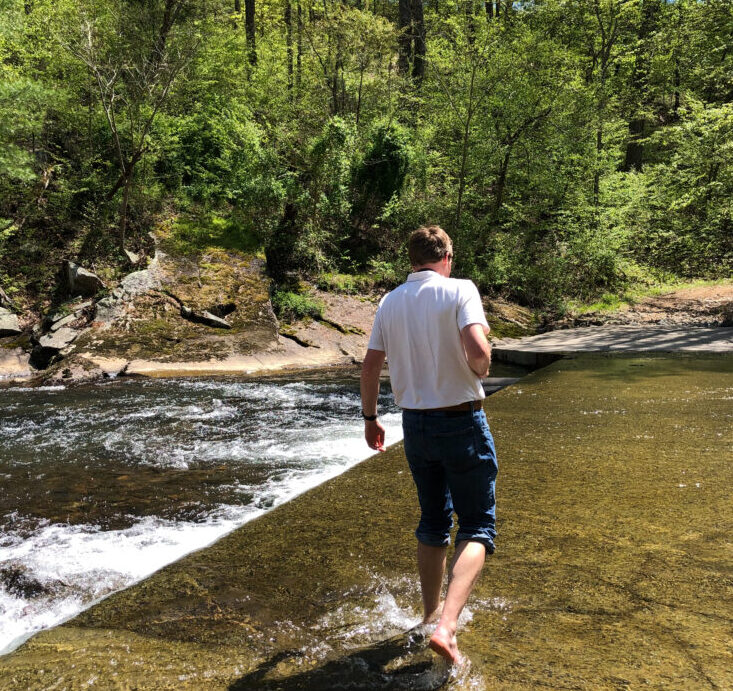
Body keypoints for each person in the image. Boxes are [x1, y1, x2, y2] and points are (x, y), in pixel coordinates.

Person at [360, 225, 497, 665]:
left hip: (414, 426)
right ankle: (447, 627)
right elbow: (478, 349)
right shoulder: (461, 289)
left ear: (412, 260)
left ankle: (428, 614)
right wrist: (482, 365)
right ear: (447, 257)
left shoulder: (390, 301)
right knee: (477, 525)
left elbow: (370, 367)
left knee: (433, 522)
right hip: (460, 420)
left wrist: (369, 419)